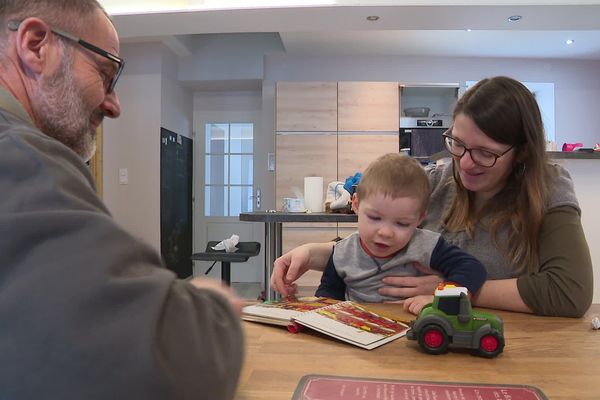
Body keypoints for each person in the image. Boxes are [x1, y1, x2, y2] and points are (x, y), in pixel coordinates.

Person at [0, 1, 243, 399]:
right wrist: (210, 309)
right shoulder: (20, 157)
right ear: (36, 45)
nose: (115, 106)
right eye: (105, 74)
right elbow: (182, 364)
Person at [272, 76, 593, 318]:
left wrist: (452, 292)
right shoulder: (432, 183)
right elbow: (381, 243)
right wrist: (310, 253)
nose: (465, 163)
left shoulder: (547, 189)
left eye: (484, 153)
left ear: (521, 152)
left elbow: (569, 292)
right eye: (457, 143)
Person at [316, 153, 486, 315]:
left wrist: (440, 298)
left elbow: (472, 269)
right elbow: (327, 294)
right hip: (357, 332)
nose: (385, 232)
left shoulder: (427, 246)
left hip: (411, 332)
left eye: (402, 224)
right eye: (375, 218)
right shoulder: (341, 252)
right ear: (356, 205)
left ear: (419, 219)